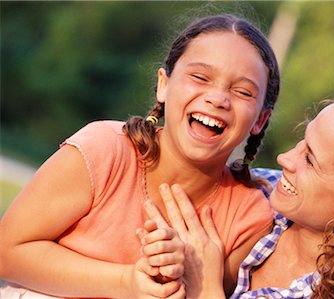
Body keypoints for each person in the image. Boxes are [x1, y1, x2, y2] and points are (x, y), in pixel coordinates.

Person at [0, 13, 280, 298]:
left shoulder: (249, 217)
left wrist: (181, 276)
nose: (218, 99)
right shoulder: (104, 150)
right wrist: (126, 282)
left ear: (260, 119)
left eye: (243, 92)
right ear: (164, 85)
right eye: (200, 77)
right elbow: (6, 252)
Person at [141, 83, 334, 298]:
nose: (283, 159)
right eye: (303, 140)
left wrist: (206, 289)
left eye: (310, 160)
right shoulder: (258, 190)